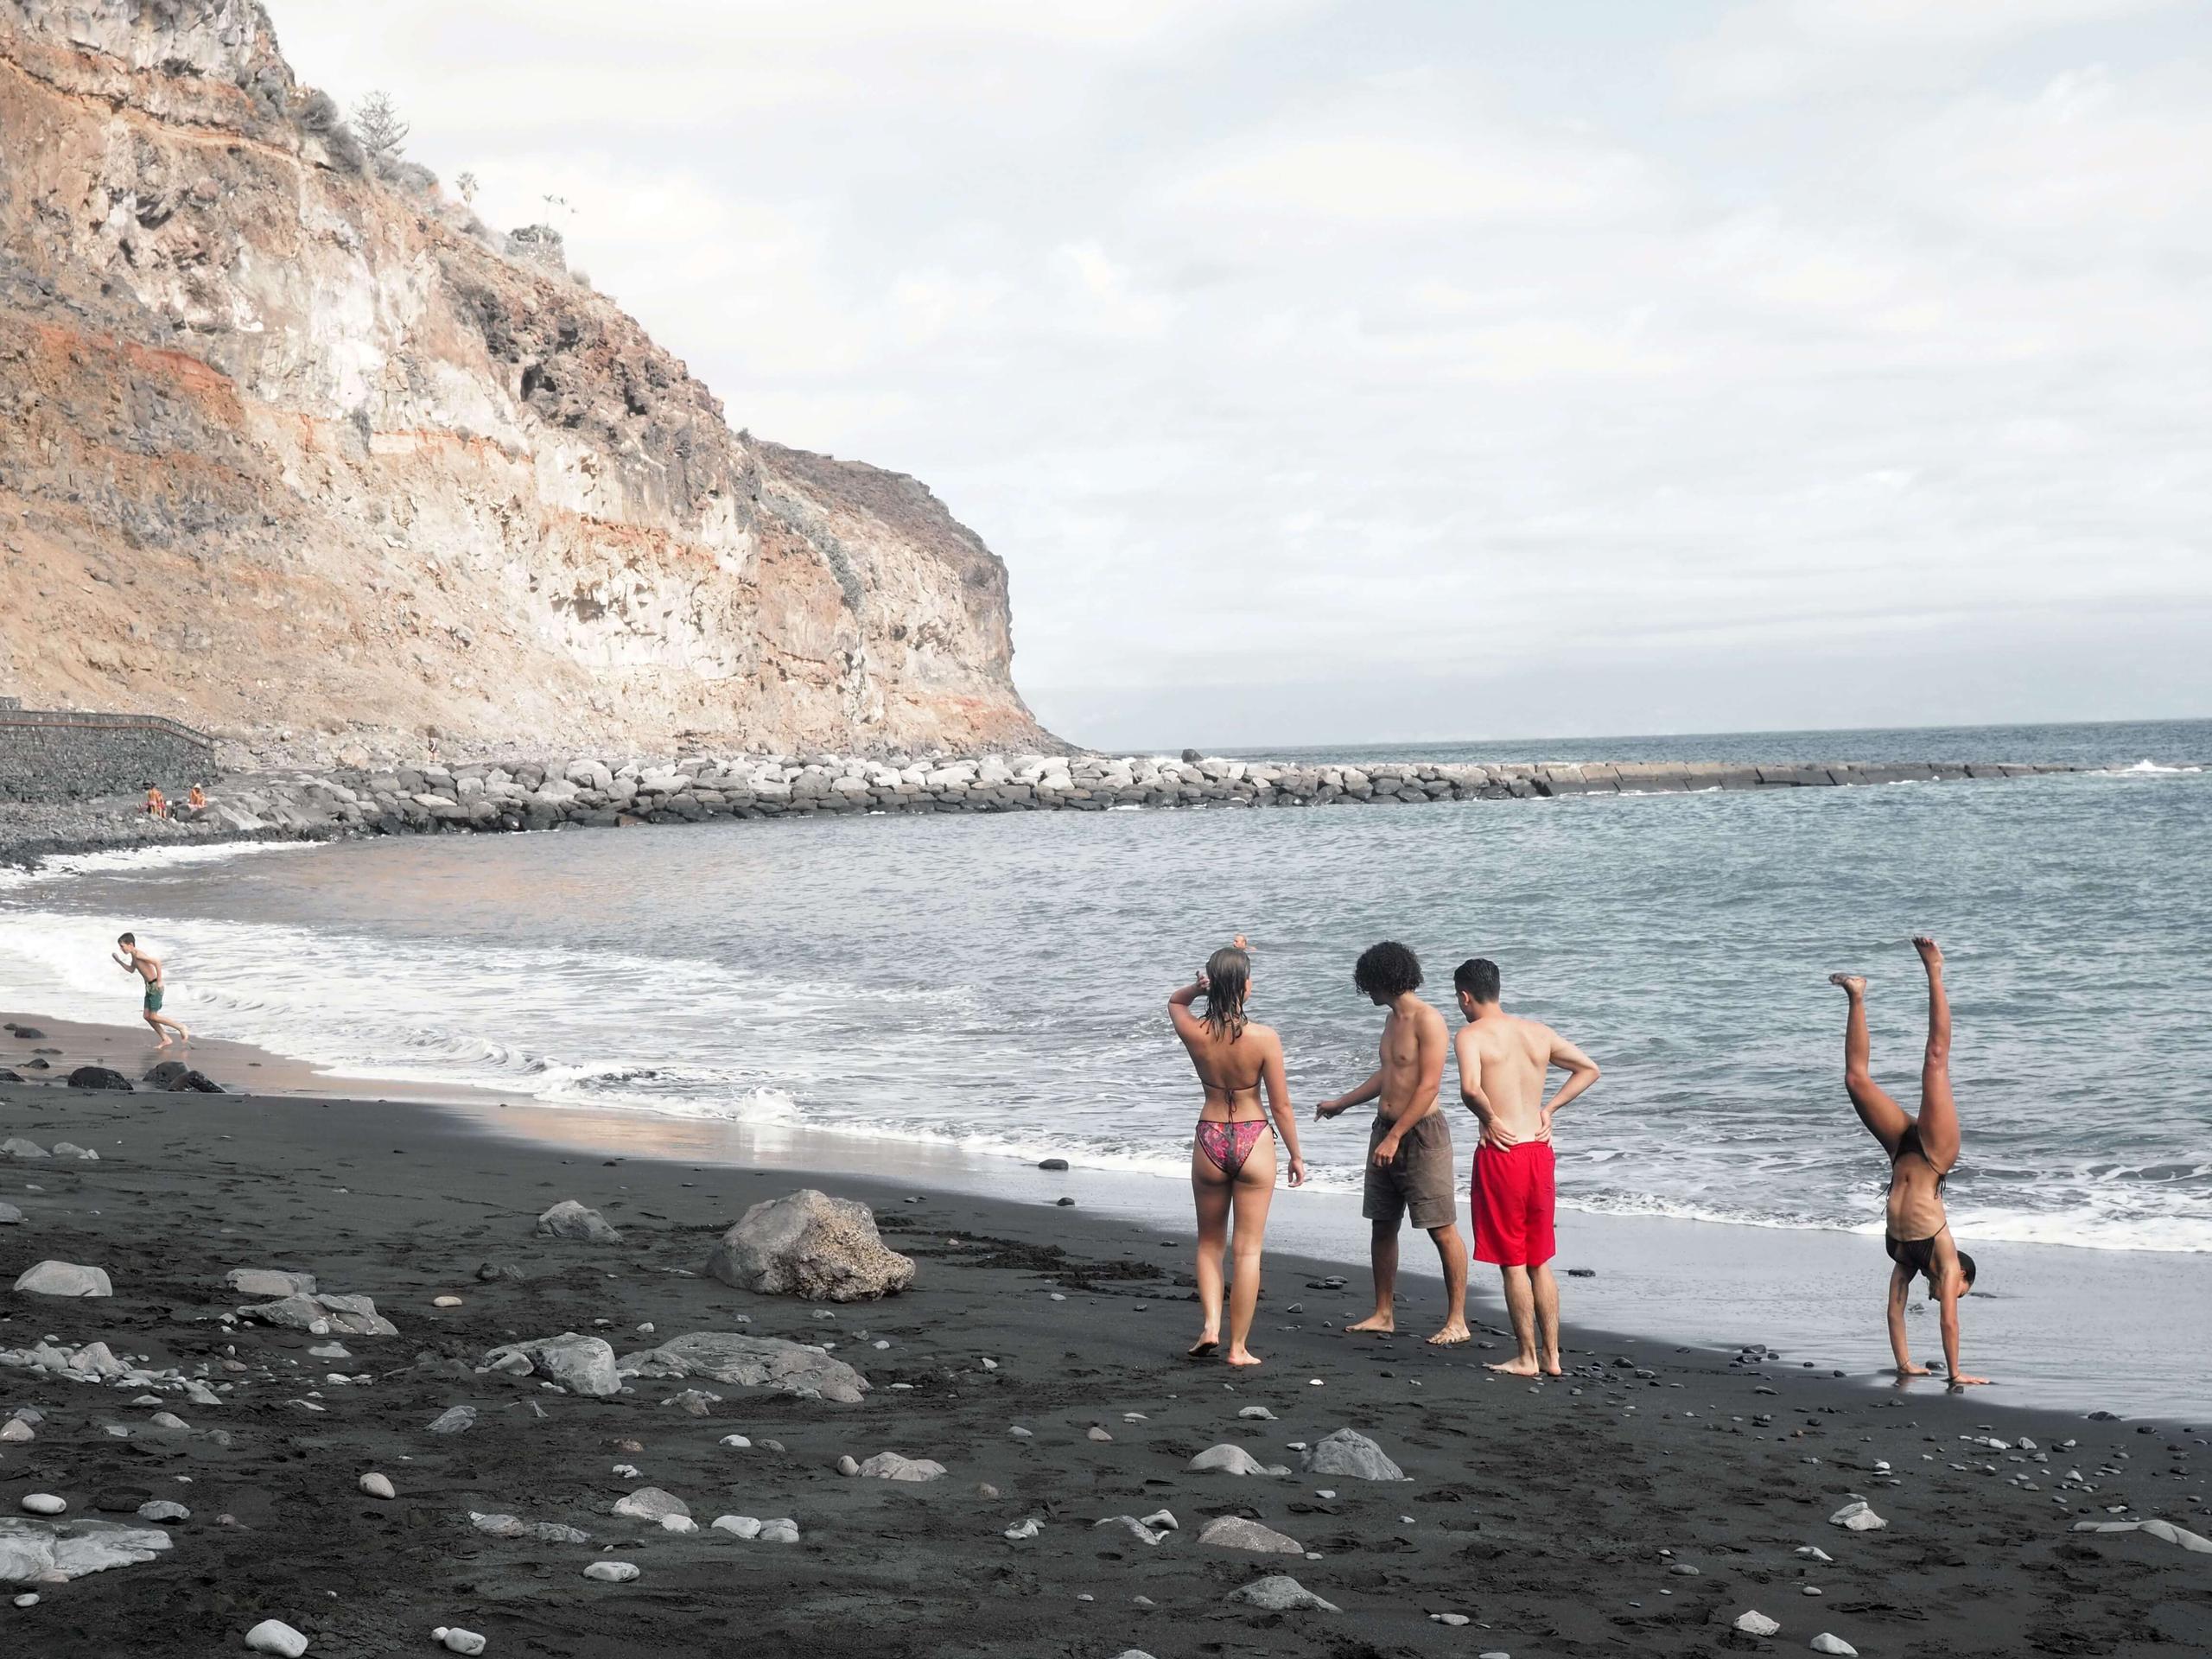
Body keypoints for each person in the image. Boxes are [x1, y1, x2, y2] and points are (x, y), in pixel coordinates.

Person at [1831, 936, 1986, 1387]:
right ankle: (1935, 969)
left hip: (1901, 1151)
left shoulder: (1906, 1255)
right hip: (1936, 1153)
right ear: (1961, 1276)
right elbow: (1950, 1324)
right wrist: (1956, 1374)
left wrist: (1906, 1365)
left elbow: (1895, 1307)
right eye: (1957, 1291)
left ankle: (1857, 993)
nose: (1944, 1298)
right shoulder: (1946, 1258)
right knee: (1935, 1063)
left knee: (1855, 1080)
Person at [1452, 957, 1602, 1377]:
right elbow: (1589, 1069)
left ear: (1465, 996)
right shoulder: (1539, 1033)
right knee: (1538, 1259)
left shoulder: (1470, 1035)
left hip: (1504, 1152)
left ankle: (1526, 1357)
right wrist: (1549, 1109)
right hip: (1538, 1150)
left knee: (1513, 1261)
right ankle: (1553, 1357)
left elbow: (1469, 1089)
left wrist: (1490, 1120)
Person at [1315, 941, 1471, 1344]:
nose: (1366, 992)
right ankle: (1384, 1313)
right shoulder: (1391, 1021)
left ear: (1382, 979)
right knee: (1383, 1225)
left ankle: (1458, 1320)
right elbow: (1388, 1076)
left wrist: (1398, 1135)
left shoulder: (1428, 1019)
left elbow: (1429, 1084)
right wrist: (1342, 1104)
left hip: (1421, 1134)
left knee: (1441, 1228)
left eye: (1368, 983)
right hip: (1384, 1131)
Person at [1168, 935, 1306, 1366]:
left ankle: (1210, 1325)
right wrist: (1297, 1155)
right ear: (1244, 985)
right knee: (1247, 1250)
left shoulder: (1196, 1031)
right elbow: (1281, 1105)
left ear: (1213, 984)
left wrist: (1198, 989)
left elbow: (1175, 1002)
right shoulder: (1265, 1038)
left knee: (1210, 1244)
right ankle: (1238, 1348)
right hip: (1252, 1137)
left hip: (1209, 1136)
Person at [112, 931, 190, 1046]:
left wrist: (159, 980)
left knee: (153, 1016)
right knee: (147, 1016)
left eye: (122, 946)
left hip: (155, 986)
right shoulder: (134, 957)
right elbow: (131, 970)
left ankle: (181, 1027)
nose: (121, 949)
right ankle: (166, 1038)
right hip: (149, 987)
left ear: (131, 944)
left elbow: (157, 962)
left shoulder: (139, 954)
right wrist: (119, 961)